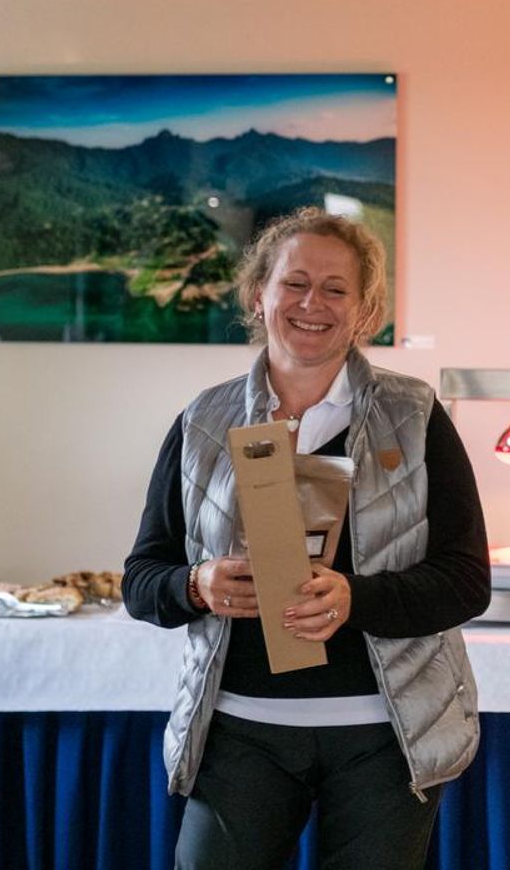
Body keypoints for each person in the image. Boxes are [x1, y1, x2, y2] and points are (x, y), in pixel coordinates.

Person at [124, 208, 491, 870]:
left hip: (385, 735)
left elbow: (466, 582)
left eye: (334, 288)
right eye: (293, 283)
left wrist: (356, 598)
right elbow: (142, 578)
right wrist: (196, 585)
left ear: (364, 310)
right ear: (257, 295)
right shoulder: (202, 422)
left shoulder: (414, 415)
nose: (311, 303)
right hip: (240, 732)